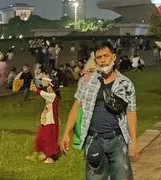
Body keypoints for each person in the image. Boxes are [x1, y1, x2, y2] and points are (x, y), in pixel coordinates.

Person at [60, 42, 138, 180]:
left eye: (106, 56)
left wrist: (133, 142)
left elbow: (131, 112)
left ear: (113, 57)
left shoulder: (125, 84)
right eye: (99, 57)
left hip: (117, 140)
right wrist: (66, 133)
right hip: (93, 140)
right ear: (95, 60)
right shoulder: (87, 82)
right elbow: (77, 106)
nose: (103, 60)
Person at [29, 76, 60, 163]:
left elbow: (43, 94)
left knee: (49, 138)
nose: (48, 88)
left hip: (51, 121)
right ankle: (45, 153)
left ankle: (50, 157)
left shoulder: (53, 96)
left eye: (50, 86)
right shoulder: (50, 96)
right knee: (41, 136)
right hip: (46, 120)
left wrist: (36, 90)